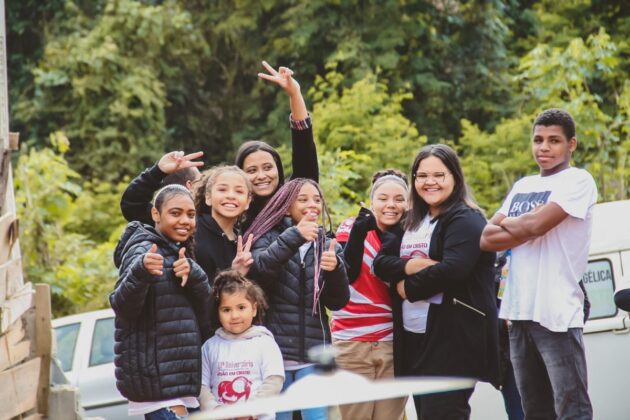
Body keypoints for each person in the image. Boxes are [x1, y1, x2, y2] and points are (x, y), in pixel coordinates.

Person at [480, 108, 596, 420]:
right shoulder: (522, 186)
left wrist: (521, 225)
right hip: (517, 315)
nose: (543, 147)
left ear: (571, 145)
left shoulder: (578, 180)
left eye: (554, 140)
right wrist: (529, 223)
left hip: (556, 314)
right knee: (535, 412)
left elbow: (536, 227)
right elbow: (486, 239)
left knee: (572, 409)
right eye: (538, 139)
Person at [373, 144, 499, 420]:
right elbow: (381, 263)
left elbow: (454, 269)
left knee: (444, 414)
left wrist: (407, 287)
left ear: (455, 177)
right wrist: (411, 265)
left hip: (453, 340)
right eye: (422, 175)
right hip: (415, 340)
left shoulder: (466, 219)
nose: (429, 182)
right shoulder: (412, 219)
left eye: (439, 175)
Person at [244, 178, 350, 420]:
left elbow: (338, 302)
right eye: (302, 200)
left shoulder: (328, 244)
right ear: (286, 206)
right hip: (274, 355)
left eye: (317, 199)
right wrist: (294, 236)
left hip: (314, 355)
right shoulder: (267, 238)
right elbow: (258, 276)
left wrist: (335, 271)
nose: (311, 205)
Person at [110, 184, 212, 419]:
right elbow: (122, 306)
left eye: (190, 214)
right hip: (156, 381)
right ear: (156, 214)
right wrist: (141, 271)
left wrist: (195, 275)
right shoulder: (144, 249)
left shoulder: (180, 251)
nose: (185, 220)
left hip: (178, 378)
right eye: (175, 213)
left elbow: (207, 313)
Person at [331, 169, 409, 420]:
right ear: (371, 201)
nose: (391, 205)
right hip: (351, 344)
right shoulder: (351, 227)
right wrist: (361, 232)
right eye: (383, 198)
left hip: (393, 344)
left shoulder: (411, 236)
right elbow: (348, 273)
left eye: (399, 199)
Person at [235, 62, 319, 230]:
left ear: (278, 170)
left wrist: (295, 94)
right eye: (252, 170)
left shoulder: (292, 199)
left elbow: (304, 149)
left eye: (267, 167)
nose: (261, 176)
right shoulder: (234, 211)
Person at [199, 270, 284, 419]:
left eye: (241, 307)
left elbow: (274, 381)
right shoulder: (209, 347)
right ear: (217, 313)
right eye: (226, 310)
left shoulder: (265, 343)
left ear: (254, 309)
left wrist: (251, 411)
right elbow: (202, 387)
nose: (235, 316)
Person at [121, 150, 204, 225]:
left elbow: (132, 204)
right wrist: (158, 171)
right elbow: (132, 204)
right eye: (200, 181)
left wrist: (158, 172)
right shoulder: (158, 220)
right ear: (191, 186)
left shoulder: (160, 219)